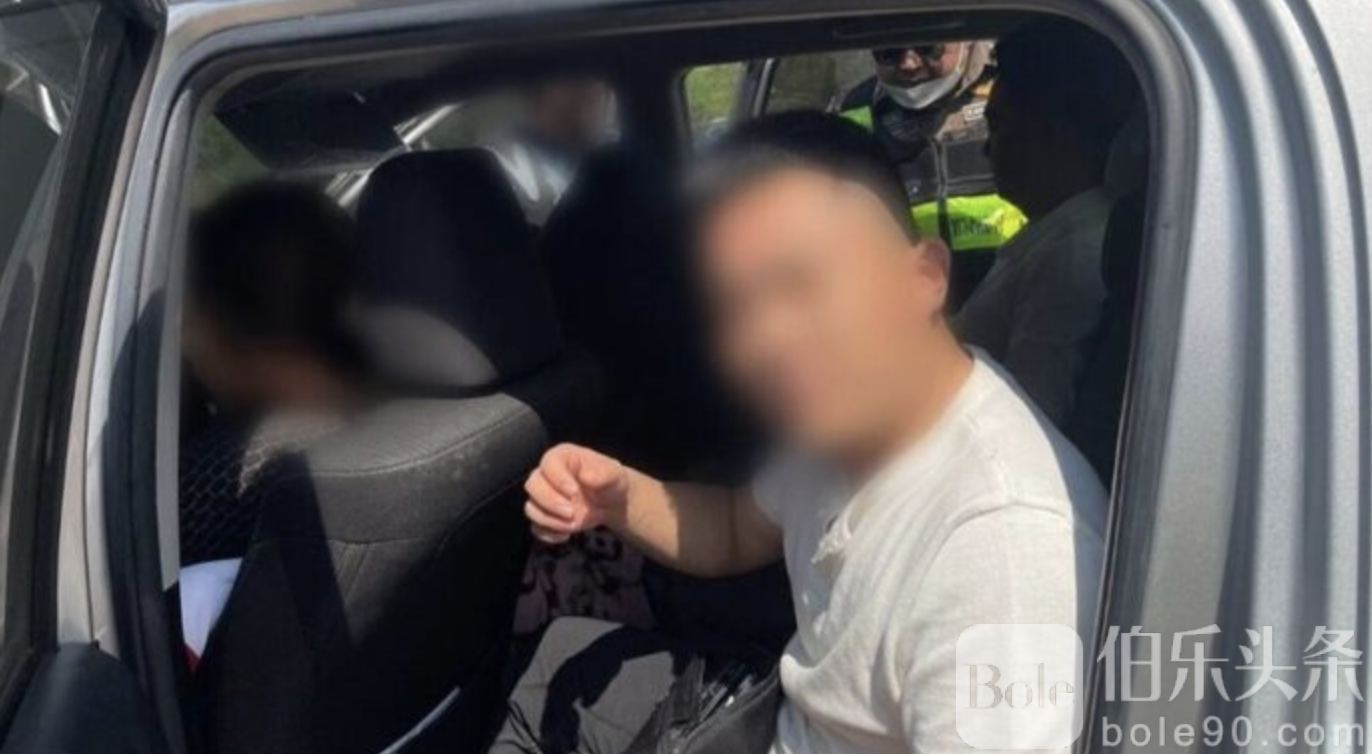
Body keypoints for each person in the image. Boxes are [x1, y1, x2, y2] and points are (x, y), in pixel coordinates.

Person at [490, 112, 1107, 754]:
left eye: (800, 284)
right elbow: (734, 528)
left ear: (923, 278)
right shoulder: (847, 423)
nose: (766, 339)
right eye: (734, 307)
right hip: (775, 717)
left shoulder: (1003, 554)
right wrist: (620, 497)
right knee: (556, 666)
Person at [956, 18, 1141, 427]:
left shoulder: (1071, 258)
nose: (987, 148)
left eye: (998, 126)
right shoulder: (1059, 235)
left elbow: (1032, 416)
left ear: (1050, 132)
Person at [180, 180, 364, 566]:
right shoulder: (423, 413)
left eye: (189, 319)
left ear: (225, 322)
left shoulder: (220, 483)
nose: (187, 349)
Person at [839, 40, 1026, 299]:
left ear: (965, 40)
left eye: (928, 47)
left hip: (1017, 286)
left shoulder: (1015, 87)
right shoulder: (855, 108)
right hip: (911, 297)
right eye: (889, 52)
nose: (908, 63)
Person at [487, 77, 616, 224]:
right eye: (572, 79)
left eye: (599, 82)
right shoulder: (499, 166)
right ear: (533, 95)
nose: (589, 91)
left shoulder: (617, 155)